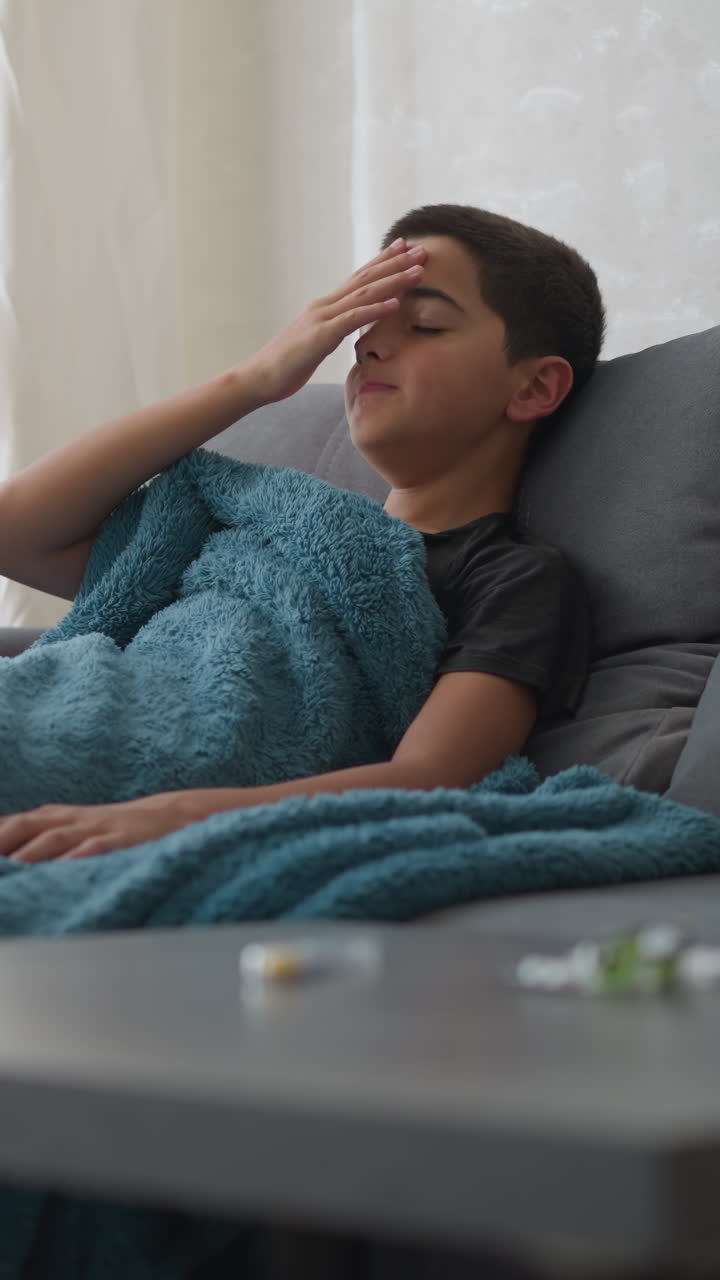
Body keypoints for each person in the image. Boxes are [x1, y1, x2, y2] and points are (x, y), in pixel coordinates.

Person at [0, 202, 604, 864]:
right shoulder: (259, 530)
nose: (368, 343)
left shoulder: (513, 579)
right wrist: (252, 381)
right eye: (365, 323)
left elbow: (433, 778)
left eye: (426, 325)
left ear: (535, 386)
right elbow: (16, 530)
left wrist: (168, 817)